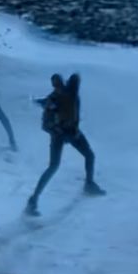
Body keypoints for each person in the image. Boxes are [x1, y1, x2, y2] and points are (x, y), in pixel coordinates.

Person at [25, 73, 105, 216]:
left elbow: (73, 116)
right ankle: (33, 200)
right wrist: (59, 131)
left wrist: (71, 131)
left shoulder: (71, 95)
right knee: (55, 166)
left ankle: (89, 183)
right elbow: (46, 123)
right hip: (61, 135)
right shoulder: (56, 98)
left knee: (88, 156)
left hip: (71, 132)